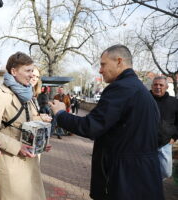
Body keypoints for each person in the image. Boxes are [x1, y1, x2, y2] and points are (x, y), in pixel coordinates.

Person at [49, 44, 164, 200]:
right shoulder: (141, 91)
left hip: (124, 181)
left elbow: (90, 127)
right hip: (145, 178)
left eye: (103, 64)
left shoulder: (121, 88)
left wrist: (61, 113)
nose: (100, 70)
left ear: (119, 61)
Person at [0, 52, 47, 200]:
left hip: (29, 161)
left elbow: (30, 122)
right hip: (11, 162)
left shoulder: (27, 94)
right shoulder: (2, 95)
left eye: (32, 71)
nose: (32, 75)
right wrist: (17, 147)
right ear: (13, 71)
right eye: (27, 70)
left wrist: (42, 141)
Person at [151, 76, 178, 179]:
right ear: (152, 86)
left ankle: (154, 182)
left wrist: (174, 137)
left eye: (161, 85)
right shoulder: (145, 100)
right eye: (155, 84)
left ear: (166, 87)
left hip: (165, 143)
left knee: (166, 172)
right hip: (146, 142)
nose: (158, 87)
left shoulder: (174, 102)